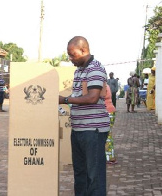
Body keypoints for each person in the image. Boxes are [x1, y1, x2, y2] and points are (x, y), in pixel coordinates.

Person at [58, 36, 110, 196]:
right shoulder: (79, 70)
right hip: (79, 129)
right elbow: (80, 95)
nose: (70, 58)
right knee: (80, 174)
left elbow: (93, 97)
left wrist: (64, 100)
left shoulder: (95, 68)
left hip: (93, 130)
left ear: (83, 50)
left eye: (72, 54)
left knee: (94, 176)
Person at [104, 85, 117, 164]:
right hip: (110, 110)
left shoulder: (101, 85)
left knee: (107, 135)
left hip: (105, 111)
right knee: (108, 134)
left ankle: (109, 157)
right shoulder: (106, 85)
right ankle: (109, 156)